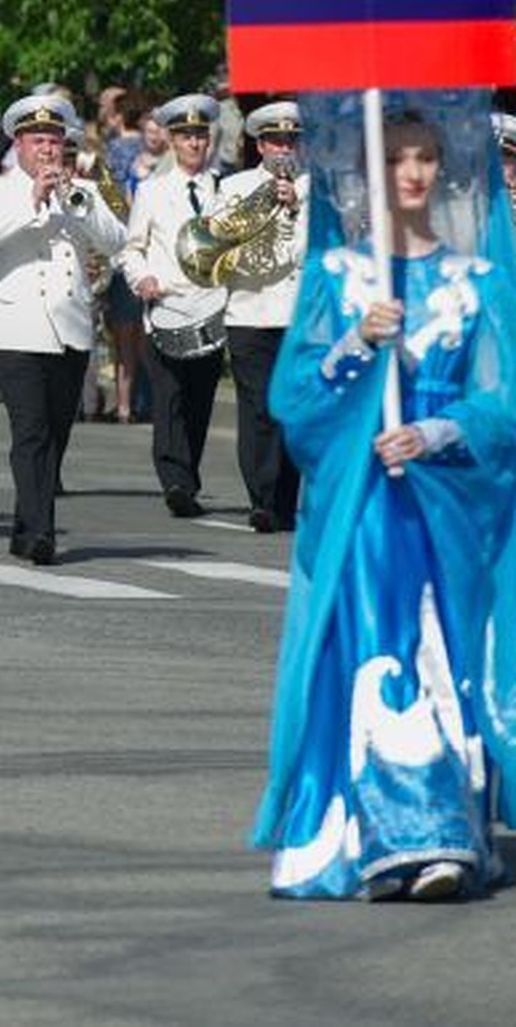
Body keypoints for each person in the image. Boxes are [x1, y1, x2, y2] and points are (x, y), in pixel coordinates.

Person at [255, 103, 516, 901]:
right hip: (367, 504)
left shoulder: (477, 281)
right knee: (381, 647)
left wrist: (438, 430)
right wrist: (354, 347)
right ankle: (387, 831)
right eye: (397, 157)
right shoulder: (340, 279)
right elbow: (292, 402)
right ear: (371, 171)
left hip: (445, 503)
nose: (413, 173)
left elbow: (506, 402)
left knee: (445, 651)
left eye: (427, 157)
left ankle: (442, 832)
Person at [0, 92, 124, 565]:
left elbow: (116, 239)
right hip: (17, 329)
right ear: (19, 144)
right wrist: (34, 201)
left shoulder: (83, 192)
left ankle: (24, 521)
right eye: (38, 141)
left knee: (55, 435)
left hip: (71, 328)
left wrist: (79, 204)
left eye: (55, 141)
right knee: (31, 431)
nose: (48, 151)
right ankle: (41, 531)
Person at [119, 93, 226, 518]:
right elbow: (132, 248)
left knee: (200, 400)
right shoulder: (152, 190)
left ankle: (189, 474)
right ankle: (175, 480)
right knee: (169, 397)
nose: (195, 144)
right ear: (172, 141)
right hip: (166, 305)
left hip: (213, 306)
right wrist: (141, 278)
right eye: (186, 137)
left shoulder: (225, 188)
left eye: (201, 136)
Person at [217, 101, 306, 532]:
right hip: (249, 312)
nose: (283, 148)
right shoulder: (233, 187)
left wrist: (293, 209)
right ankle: (262, 499)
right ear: (259, 145)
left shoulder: (315, 191)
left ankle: (286, 500)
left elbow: (316, 251)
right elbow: (216, 241)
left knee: (291, 410)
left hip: (297, 316)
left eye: (291, 140)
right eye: (275, 141)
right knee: (258, 410)